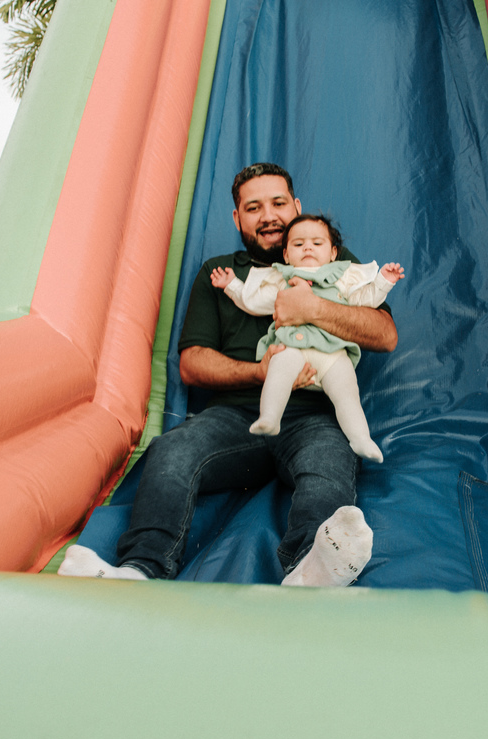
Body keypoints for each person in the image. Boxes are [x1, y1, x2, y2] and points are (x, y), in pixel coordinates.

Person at [58, 163, 398, 587]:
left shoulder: (325, 256)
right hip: (237, 417)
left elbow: (385, 335)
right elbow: (192, 363)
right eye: (253, 208)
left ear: (296, 206)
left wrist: (313, 309)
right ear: (237, 218)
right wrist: (260, 371)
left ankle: (309, 572)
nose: (268, 216)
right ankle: (140, 568)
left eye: (278, 203)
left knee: (328, 468)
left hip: (314, 416)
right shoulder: (221, 273)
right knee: (172, 451)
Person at [210, 213, 403, 463]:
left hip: (332, 352)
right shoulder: (282, 279)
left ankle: (361, 438)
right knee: (278, 370)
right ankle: (269, 417)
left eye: (317, 243)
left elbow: (365, 300)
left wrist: (383, 282)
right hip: (292, 347)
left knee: (346, 391)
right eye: (298, 244)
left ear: (333, 253)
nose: (308, 247)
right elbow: (254, 302)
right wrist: (232, 285)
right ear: (286, 255)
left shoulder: (342, 277)